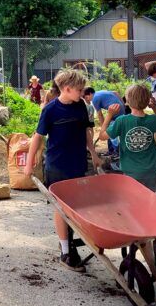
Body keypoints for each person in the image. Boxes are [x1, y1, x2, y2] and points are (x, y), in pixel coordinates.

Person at [24, 69, 100, 272]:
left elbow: (86, 131)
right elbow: (38, 137)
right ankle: (66, 251)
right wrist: (29, 162)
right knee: (61, 208)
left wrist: (93, 153)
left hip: (78, 163)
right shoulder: (50, 110)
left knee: (75, 207)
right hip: (57, 165)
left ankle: (69, 241)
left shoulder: (81, 107)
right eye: (79, 89)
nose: (83, 93)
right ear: (66, 89)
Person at [98, 84, 156, 191]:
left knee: (134, 199)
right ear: (147, 100)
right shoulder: (153, 120)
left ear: (127, 101)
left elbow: (102, 136)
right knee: (150, 198)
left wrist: (109, 115)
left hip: (131, 170)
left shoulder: (121, 121)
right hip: (151, 170)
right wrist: (154, 107)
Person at [91, 89, 125, 156]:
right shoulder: (101, 91)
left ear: (88, 95)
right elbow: (115, 92)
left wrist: (103, 128)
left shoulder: (94, 99)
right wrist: (123, 105)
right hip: (121, 110)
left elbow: (100, 115)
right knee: (109, 131)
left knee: (110, 132)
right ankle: (111, 151)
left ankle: (116, 152)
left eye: (85, 97)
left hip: (116, 112)